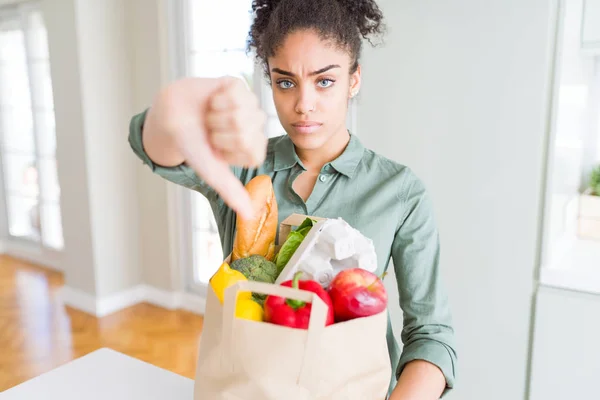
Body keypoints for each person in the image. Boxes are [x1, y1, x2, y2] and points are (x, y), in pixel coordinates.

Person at [128, 0, 457, 398]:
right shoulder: (242, 167)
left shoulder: (401, 193)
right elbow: (160, 150)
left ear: (354, 79)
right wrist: (167, 118)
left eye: (324, 81)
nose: (304, 104)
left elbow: (431, 335)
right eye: (285, 82)